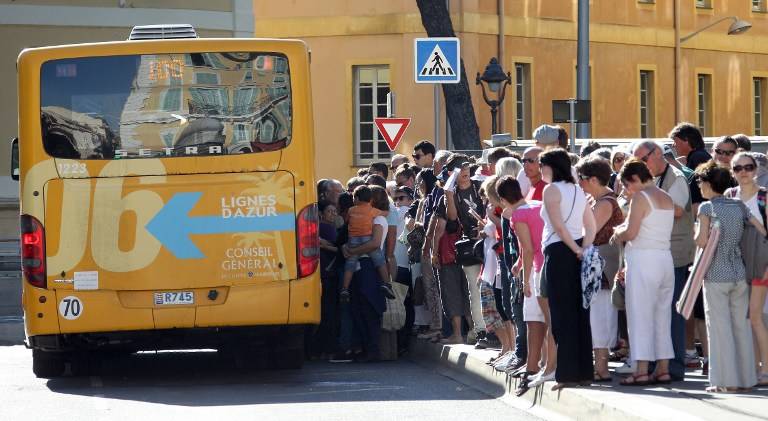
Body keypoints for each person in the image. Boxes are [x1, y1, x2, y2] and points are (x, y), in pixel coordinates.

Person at [694, 161, 766, 392]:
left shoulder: (707, 208)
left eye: (700, 182)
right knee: (741, 327)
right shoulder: (738, 205)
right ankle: (747, 378)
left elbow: (702, 241)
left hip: (716, 273)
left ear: (708, 184)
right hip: (739, 272)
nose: (699, 187)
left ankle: (724, 381)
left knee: (719, 328)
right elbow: (762, 230)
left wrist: (698, 232)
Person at [631, 140, 695, 381]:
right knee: (656, 312)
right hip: (659, 252)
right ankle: (657, 365)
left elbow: (677, 210)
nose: (641, 164)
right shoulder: (653, 179)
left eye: (643, 159)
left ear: (657, 153)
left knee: (672, 313)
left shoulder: (675, 177)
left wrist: (647, 200)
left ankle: (673, 366)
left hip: (674, 253)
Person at [538, 148, 597, 390]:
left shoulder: (551, 190)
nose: (540, 170)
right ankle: (583, 372)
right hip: (577, 250)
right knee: (580, 312)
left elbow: (558, 226)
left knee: (562, 315)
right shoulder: (577, 190)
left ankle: (566, 374)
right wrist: (584, 248)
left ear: (551, 166)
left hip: (560, 251)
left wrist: (575, 248)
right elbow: (590, 225)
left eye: (542, 165)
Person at [613, 158, 675, 386]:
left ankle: (641, 370)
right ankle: (663, 368)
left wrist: (616, 234)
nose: (627, 190)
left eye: (627, 184)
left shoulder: (641, 197)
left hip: (643, 259)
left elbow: (631, 232)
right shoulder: (666, 197)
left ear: (635, 179)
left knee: (639, 315)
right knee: (662, 316)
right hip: (664, 258)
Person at [498, 176, 549, 395]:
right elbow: (532, 242)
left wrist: (525, 280)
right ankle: (544, 363)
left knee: (533, 321)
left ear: (503, 200)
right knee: (547, 321)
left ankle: (532, 368)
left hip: (537, 270)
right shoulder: (537, 205)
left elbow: (528, 249)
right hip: (550, 265)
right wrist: (519, 263)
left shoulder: (518, 215)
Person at [576, 158, 623, 382]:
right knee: (599, 316)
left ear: (593, 179)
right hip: (600, 263)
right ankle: (600, 366)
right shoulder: (600, 200)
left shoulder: (605, 202)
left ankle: (602, 368)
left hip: (602, 264)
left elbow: (589, 232)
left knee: (600, 316)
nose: (579, 183)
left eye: (582, 179)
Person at [725, 153, 768, 387]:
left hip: (760, 259)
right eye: (738, 168)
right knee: (745, 318)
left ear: (756, 169)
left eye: (748, 167)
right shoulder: (729, 196)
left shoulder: (764, 196)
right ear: (732, 172)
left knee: (755, 316)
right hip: (736, 260)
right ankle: (754, 367)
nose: (743, 172)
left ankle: (765, 369)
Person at [341, 186, 393, 362]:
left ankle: (372, 349)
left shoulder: (378, 219)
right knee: (359, 308)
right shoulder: (365, 215)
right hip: (361, 265)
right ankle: (365, 347)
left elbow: (375, 244)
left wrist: (352, 250)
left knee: (370, 308)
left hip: (368, 266)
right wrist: (346, 248)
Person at [444, 159, 488, 347]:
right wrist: (448, 193)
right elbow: (452, 217)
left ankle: (496, 329)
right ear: (451, 173)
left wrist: (485, 227)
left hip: (489, 239)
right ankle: (481, 331)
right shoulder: (452, 192)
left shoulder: (480, 185)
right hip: (470, 244)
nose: (464, 170)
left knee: (492, 286)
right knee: (474, 288)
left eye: (466, 166)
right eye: (459, 168)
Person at [431, 179, 473, 344]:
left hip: (449, 254)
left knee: (451, 293)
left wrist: (434, 253)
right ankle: (473, 331)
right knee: (468, 292)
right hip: (469, 251)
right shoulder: (470, 196)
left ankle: (457, 334)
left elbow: (439, 229)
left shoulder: (445, 201)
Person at [340, 186, 394, 302]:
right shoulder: (373, 212)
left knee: (349, 264)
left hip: (353, 240)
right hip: (366, 239)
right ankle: (387, 283)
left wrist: (351, 250)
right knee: (380, 261)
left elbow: (346, 220)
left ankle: (344, 288)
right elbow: (385, 214)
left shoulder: (351, 210)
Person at [392, 186, 416, 354]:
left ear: (410, 200)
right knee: (403, 305)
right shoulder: (399, 213)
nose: (398, 202)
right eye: (396, 199)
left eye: (402, 198)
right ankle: (401, 343)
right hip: (400, 265)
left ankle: (403, 343)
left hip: (405, 265)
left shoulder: (404, 212)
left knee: (404, 305)